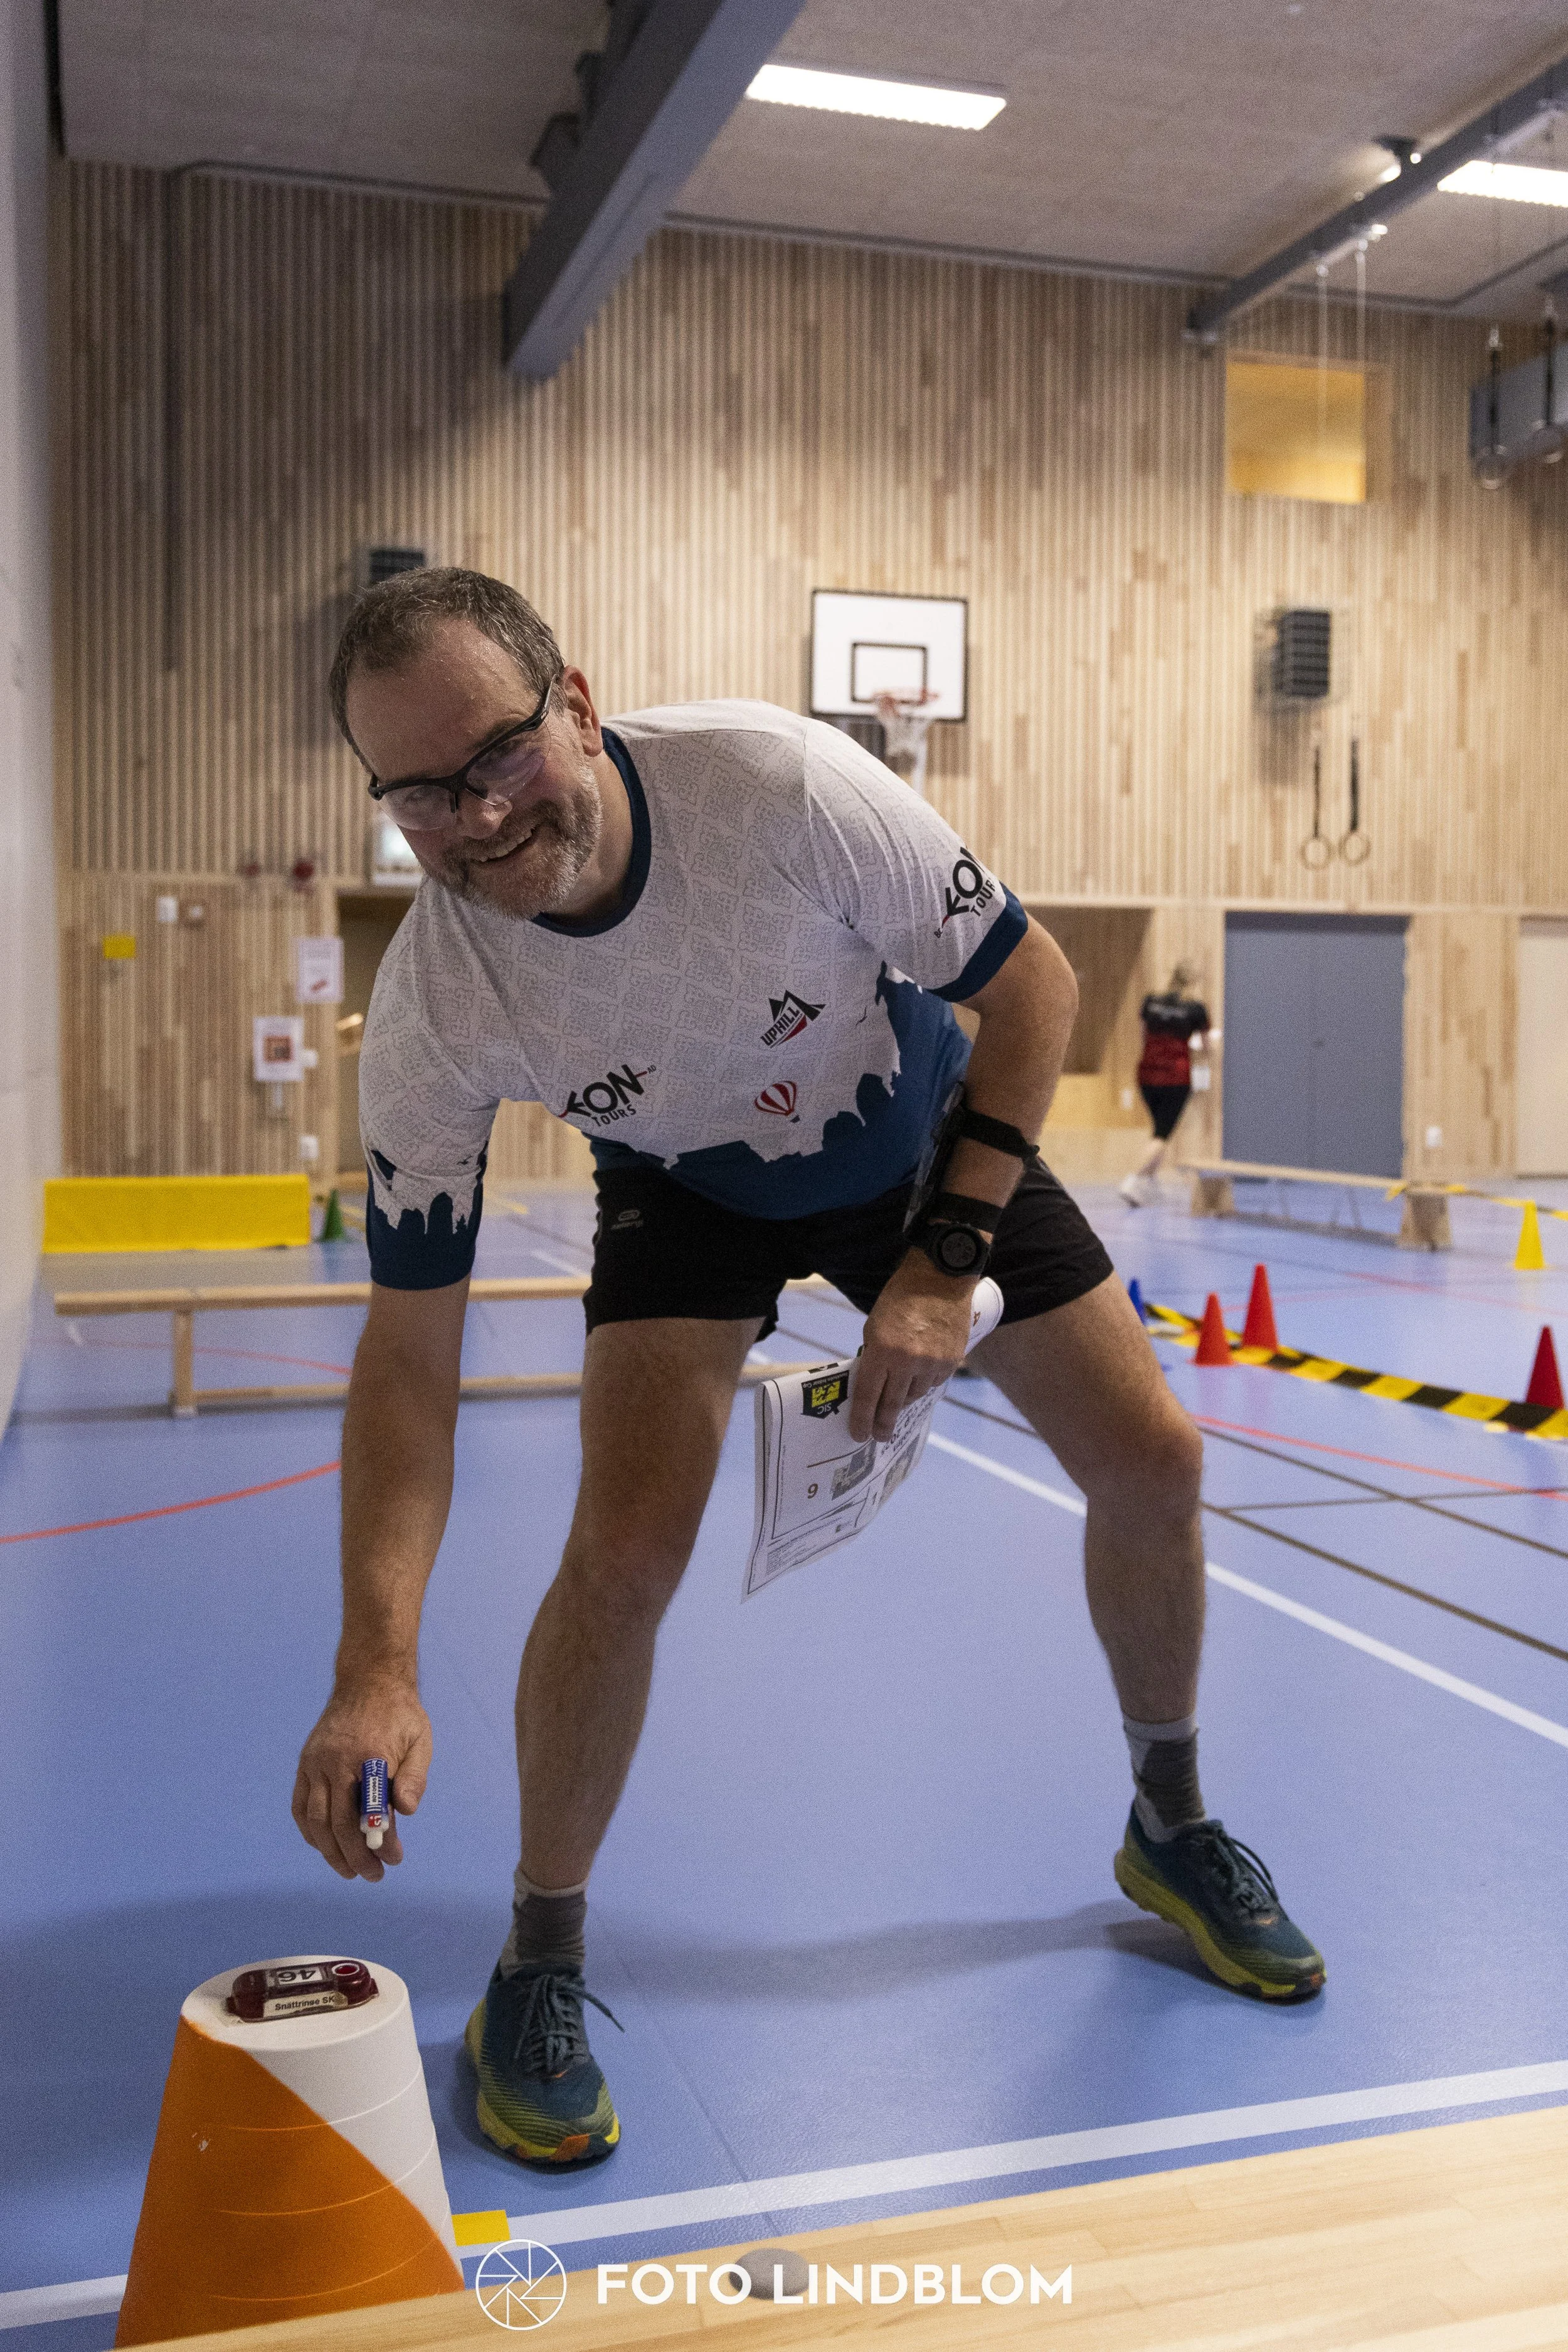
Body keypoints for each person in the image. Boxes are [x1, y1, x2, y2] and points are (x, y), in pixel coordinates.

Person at [292, 569, 1323, 2176]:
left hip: (916, 1141)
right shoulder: (438, 994)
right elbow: (409, 1356)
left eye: (493, 755)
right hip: (687, 1188)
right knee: (621, 1557)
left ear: (576, 698)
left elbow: (1035, 982)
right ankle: (538, 1961)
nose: (473, 819)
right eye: (417, 792)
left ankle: (1172, 1823)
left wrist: (948, 1259)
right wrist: (376, 1659)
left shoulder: (774, 785)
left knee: (1158, 1462)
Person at [1120, 965, 1212, 1208]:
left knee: (1158, 1132)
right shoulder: (1196, 1009)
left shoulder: (1151, 1003)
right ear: (1193, 983)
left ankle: (1147, 1185)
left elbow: (1143, 1038)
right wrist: (1188, 1048)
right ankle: (1134, 1178)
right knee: (1162, 1134)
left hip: (1147, 1075)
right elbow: (1205, 1047)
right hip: (1175, 1078)